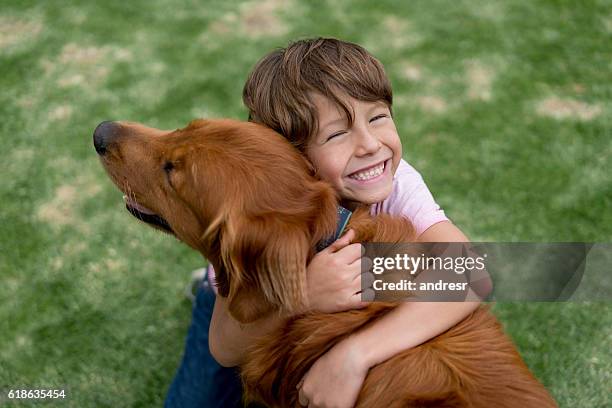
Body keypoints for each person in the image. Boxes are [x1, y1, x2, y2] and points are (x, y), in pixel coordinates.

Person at [165, 37, 486, 408]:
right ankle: (206, 290)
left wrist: (355, 355)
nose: (369, 145)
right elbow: (224, 347)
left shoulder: (396, 182)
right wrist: (302, 296)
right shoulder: (253, 210)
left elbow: (471, 274)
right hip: (255, 298)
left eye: (378, 117)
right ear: (294, 159)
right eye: (336, 134)